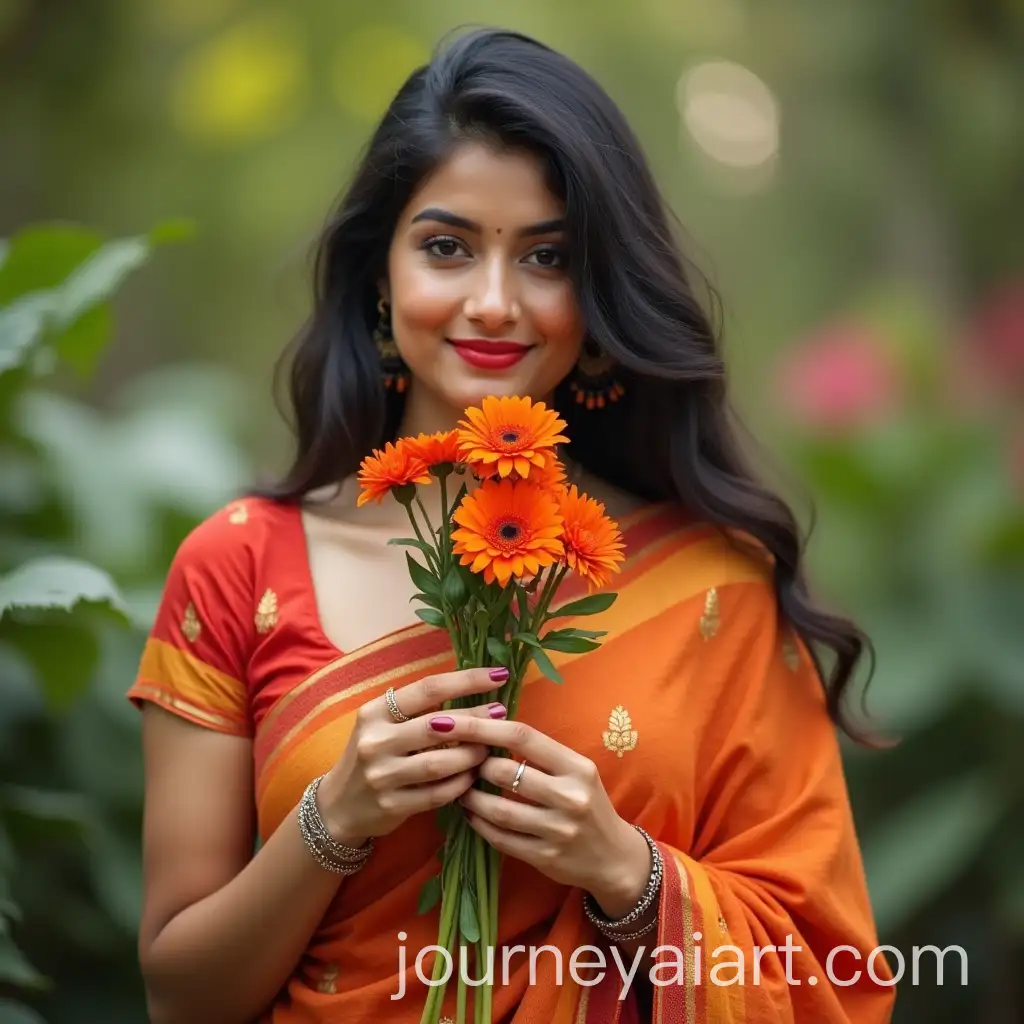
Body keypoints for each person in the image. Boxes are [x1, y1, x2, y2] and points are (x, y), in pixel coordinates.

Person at [127, 26, 896, 1024]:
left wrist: (627, 874)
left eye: (546, 257)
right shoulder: (239, 564)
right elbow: (180, 996)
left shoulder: (713, 587)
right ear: (379, 275)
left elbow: (827, 974)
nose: (493, 303)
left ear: (597, 297)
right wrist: (333, 819)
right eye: (446, 247)